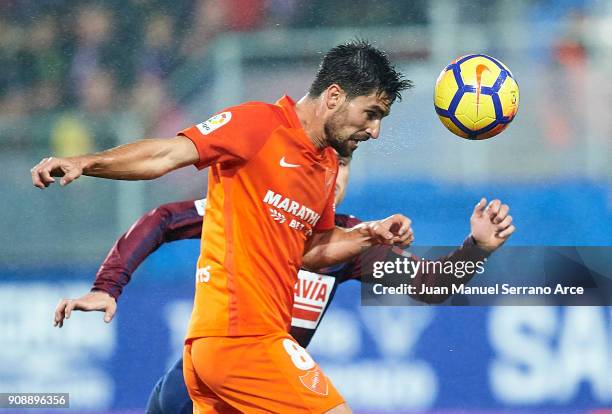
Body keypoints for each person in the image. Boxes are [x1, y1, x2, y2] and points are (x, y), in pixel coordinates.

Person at [32, 40, 508, 413]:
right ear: (335, 96)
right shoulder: (257, 126)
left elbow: (310, 252)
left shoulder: (321, 170)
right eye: (372, 115)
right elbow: (165, 161)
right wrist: (86, 162)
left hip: (226, 356)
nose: (374, 132)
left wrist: (376, 235)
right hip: (243, 342)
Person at [53, 154, 514, 414]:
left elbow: (426, 286)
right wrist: (107, 286)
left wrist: (476, 248)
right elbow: (164, 219)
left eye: (343, 165)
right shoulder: (253, 209)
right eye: (325, 163)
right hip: (205, 383)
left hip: (269, 390)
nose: (332, 176)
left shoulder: (355, 239)